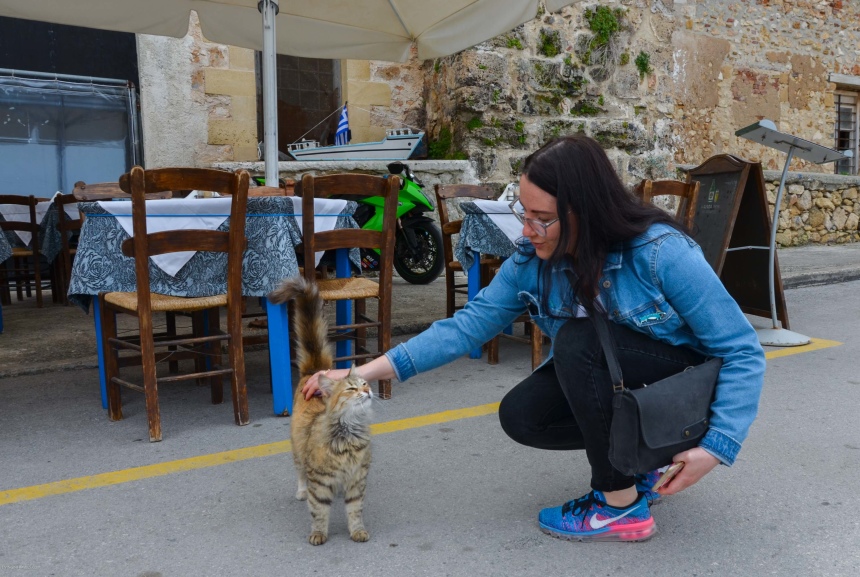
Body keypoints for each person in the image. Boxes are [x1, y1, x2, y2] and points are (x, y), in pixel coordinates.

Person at [300, 135, 765, 542]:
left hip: (685, 396)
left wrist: (716, 447)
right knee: (523, 416)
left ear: (585, 213)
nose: (526, 231)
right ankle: (639, 462)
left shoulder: (661, 252)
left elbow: (741, 351)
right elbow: (465, 327)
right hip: (630, 384)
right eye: (523, 213)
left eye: (541, 218)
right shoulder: (531, 261)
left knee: (579, 342)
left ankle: (619, 507)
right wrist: (356, 375)